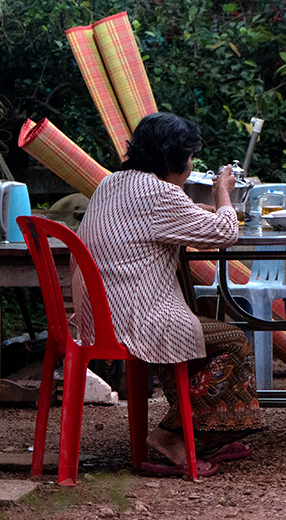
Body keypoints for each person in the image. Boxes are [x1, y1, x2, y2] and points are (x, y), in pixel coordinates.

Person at [74, 112, 262, 477]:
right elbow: (225, 233)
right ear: (172, 160)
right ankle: (171, 435)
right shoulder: (160, 193)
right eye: (189, 158)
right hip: (137, 322)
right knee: (233, 341)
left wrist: (194, 210)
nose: (191, 167)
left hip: (101, 315)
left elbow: (149, 220)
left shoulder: (112, 183)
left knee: (196, 332)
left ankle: (202, 435)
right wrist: (222, 189)